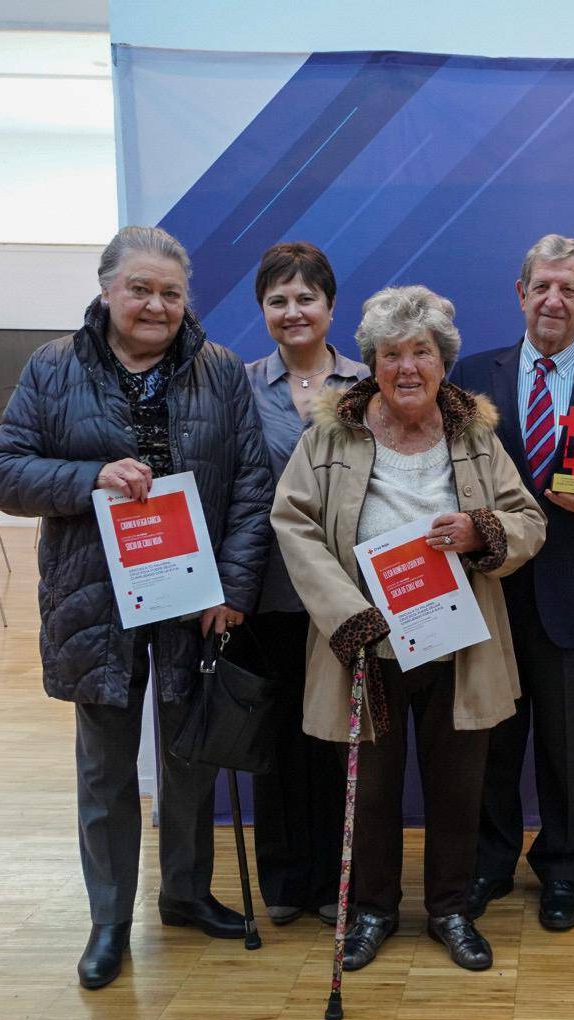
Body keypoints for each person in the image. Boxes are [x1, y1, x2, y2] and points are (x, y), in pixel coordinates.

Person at [0, 225, 274, 990]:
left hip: (191, 598)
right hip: (93, 598)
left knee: (189, 757)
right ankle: (109, 920)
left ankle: (184, 895)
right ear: (107, 289)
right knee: (105, 768)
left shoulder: (221, 371)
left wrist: (232, 591)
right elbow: (3, 472)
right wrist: (89, 478)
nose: (155, 304)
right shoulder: (52, 368)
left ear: (187, 301)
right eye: (139, 288)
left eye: (170, 293)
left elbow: (251, 486)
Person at [271, 285, 545, 973]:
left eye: (421, 351)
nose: (407, 368)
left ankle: (451, 909)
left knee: (459, 787)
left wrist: (481, 530)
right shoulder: (329, 435)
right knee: (371, 789)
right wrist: (347, 614)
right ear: (371, 364)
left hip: (459, 642)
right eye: (390, 354)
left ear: (443, 361)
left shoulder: (476, 437)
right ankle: (372, 911)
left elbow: (528, 521)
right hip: (365, 643)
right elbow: (294, 525)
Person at [450, 235, 574, 932]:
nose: (553, 300)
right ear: (520, 293)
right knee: (492, 741)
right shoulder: (470, 375)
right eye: (542, 286)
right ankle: (490, 863)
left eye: (569, 290)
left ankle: (563, 868)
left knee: (568, 748)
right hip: (489, 590)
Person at [242, 242, 368, 927]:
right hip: (266, 592)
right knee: (276, 740)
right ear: (263, 310)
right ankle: (285, 882)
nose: (293, 312)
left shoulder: (368, 382)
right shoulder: (239, 385)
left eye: (306, 298)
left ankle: (331, 879)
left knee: (334, 739)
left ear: (330, 305)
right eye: (277, 300)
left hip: (343, 594)